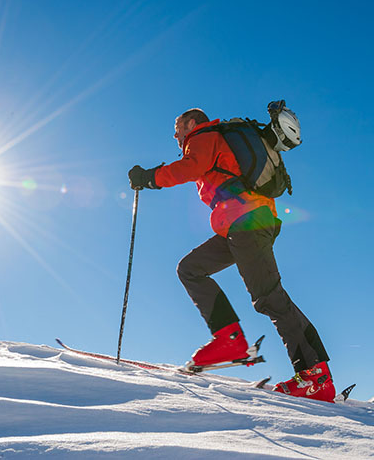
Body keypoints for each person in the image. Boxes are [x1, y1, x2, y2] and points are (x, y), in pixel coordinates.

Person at [128, 108, 336, 402]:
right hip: (239, 225)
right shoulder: (215, 138)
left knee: (269, 298)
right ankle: (231, 341)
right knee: (190, 269)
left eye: (178, 127)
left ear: (191, 123)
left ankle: (315, 377)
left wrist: (149, 178)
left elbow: (191, 167)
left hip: (248, 222)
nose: (176, 135)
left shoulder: (203, 135)